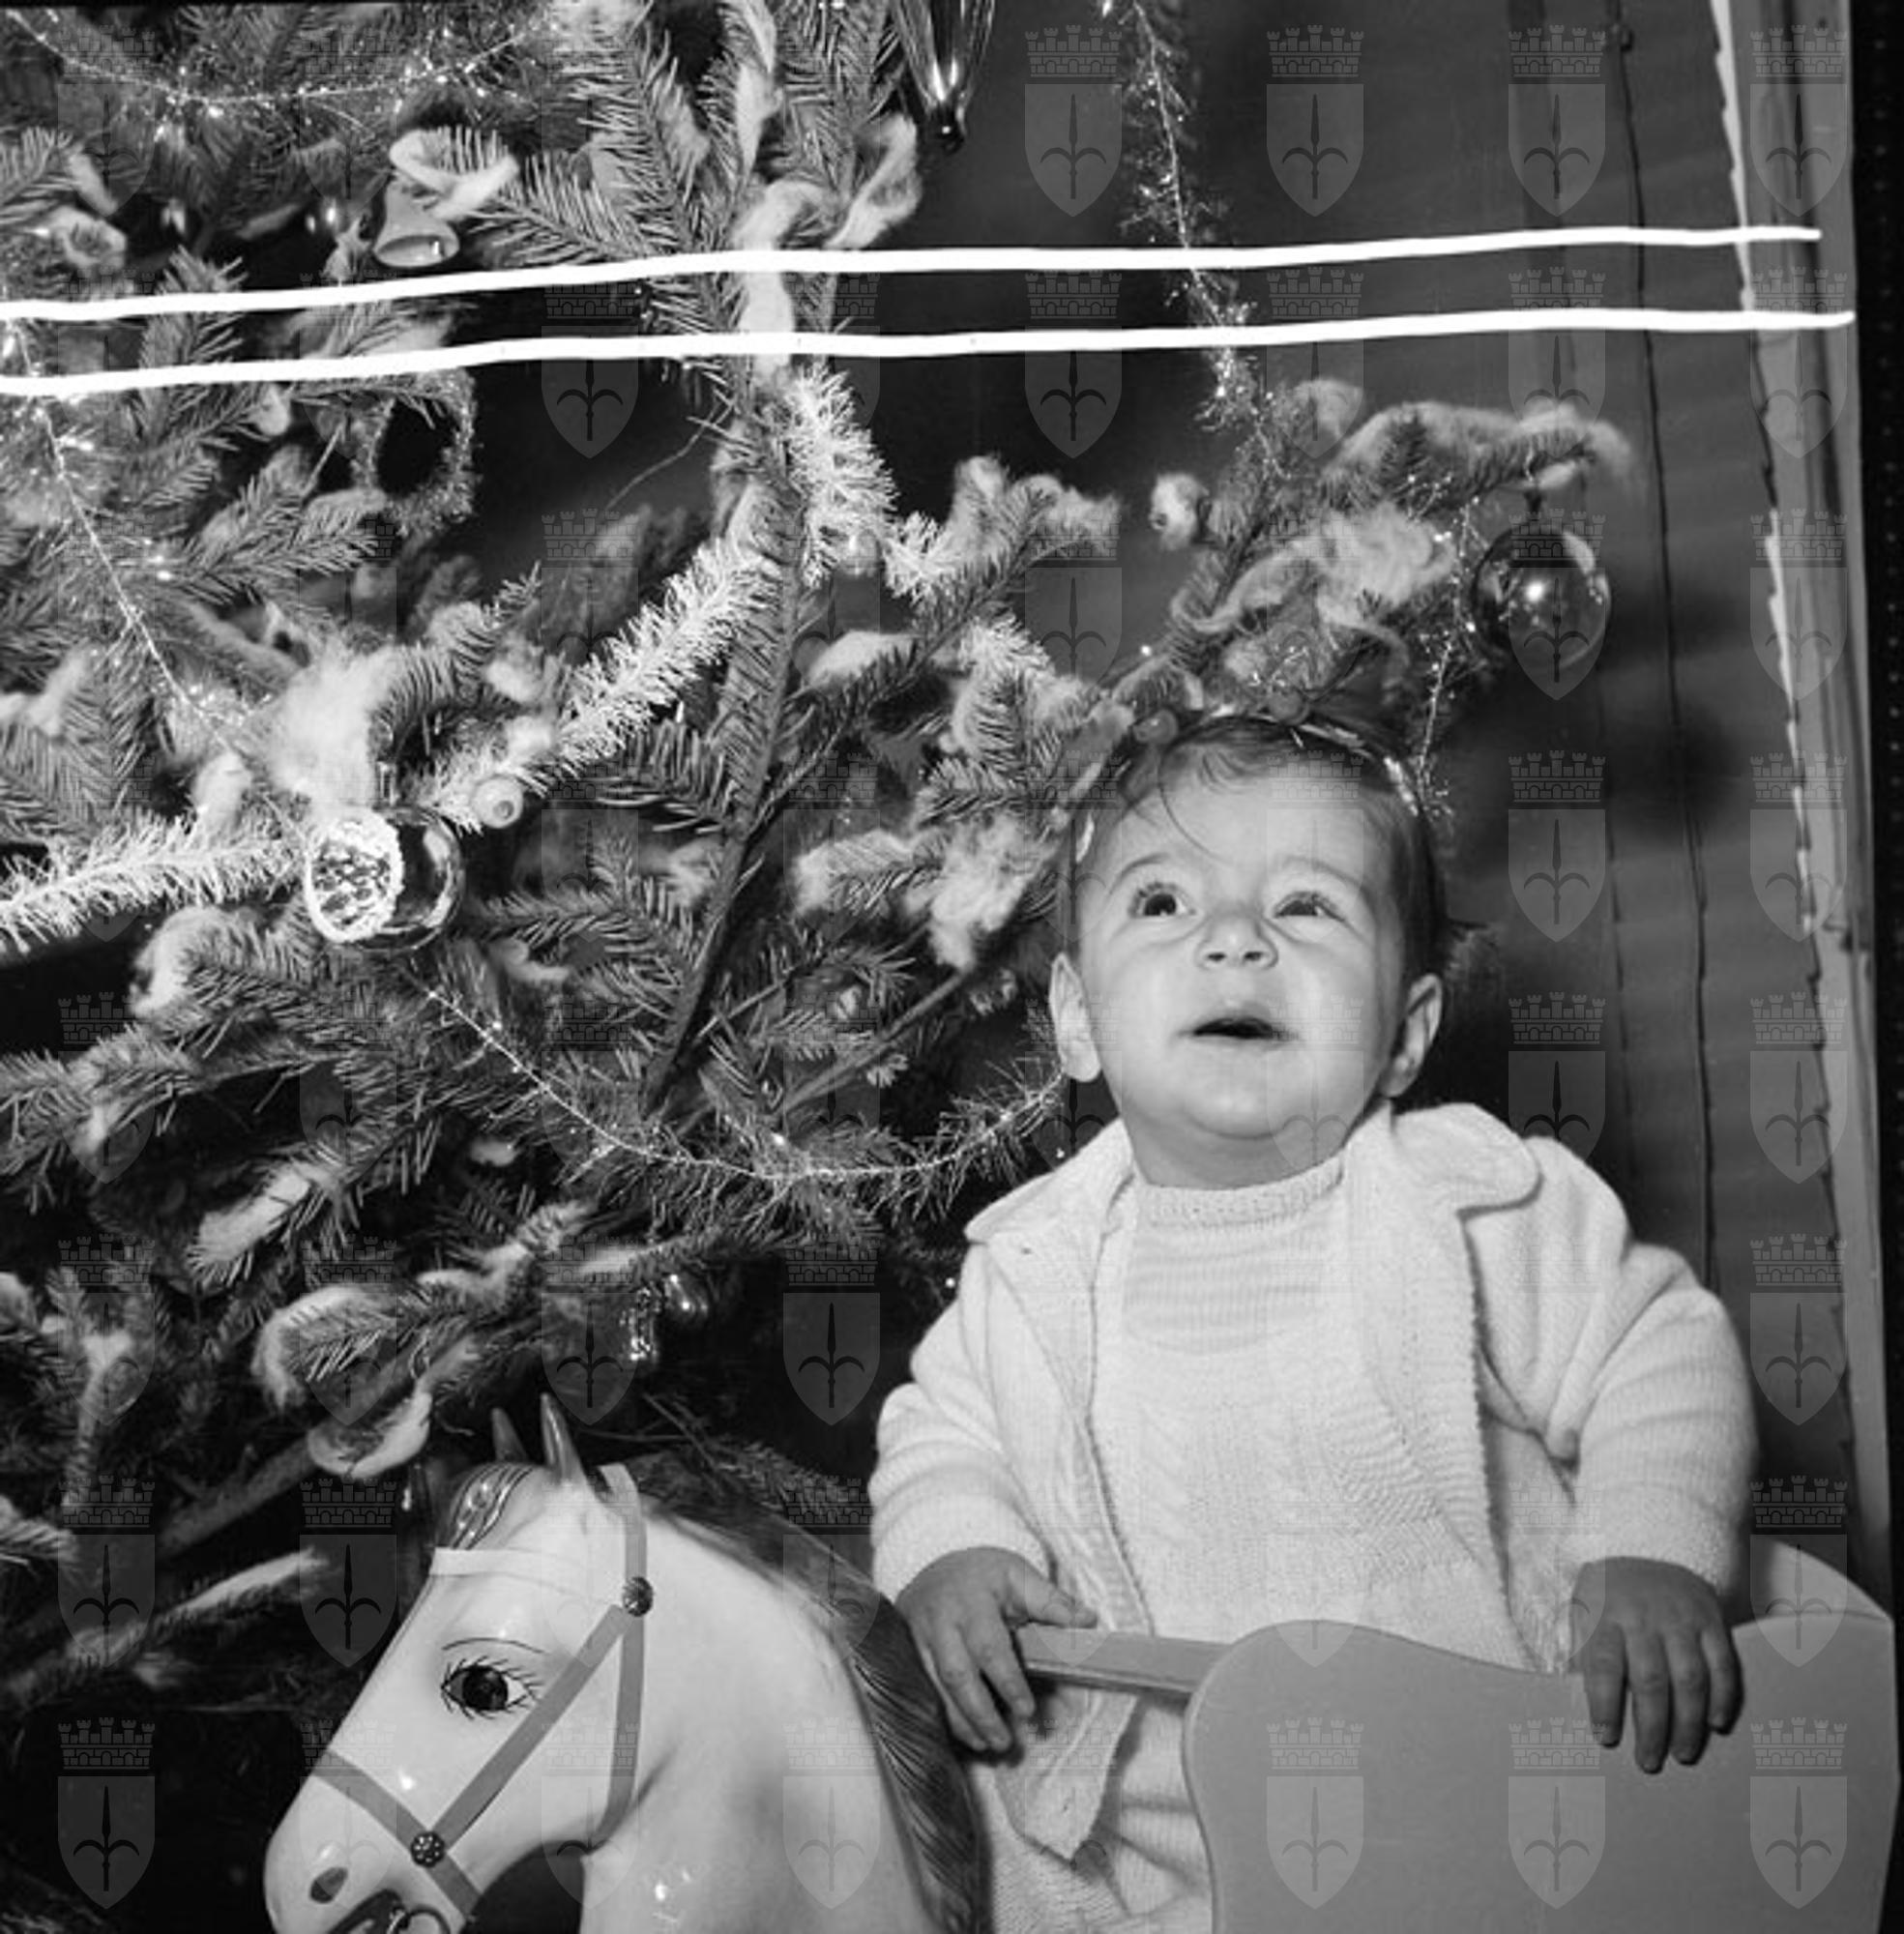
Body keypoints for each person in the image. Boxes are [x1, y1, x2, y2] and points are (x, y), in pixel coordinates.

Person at [868, 713, 1756, 1934]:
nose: (1235, 938)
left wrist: (1650, 1547)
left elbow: (1657, 1349)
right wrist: (950, 1551)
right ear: (1075, 1017)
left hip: (1472, 1823)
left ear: (1404, 1031)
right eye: (1162, 902)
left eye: (1306, 905)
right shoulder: (1031, 1266)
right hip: (1148, 1854)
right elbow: (940, 1436)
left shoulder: (1468, 1204)